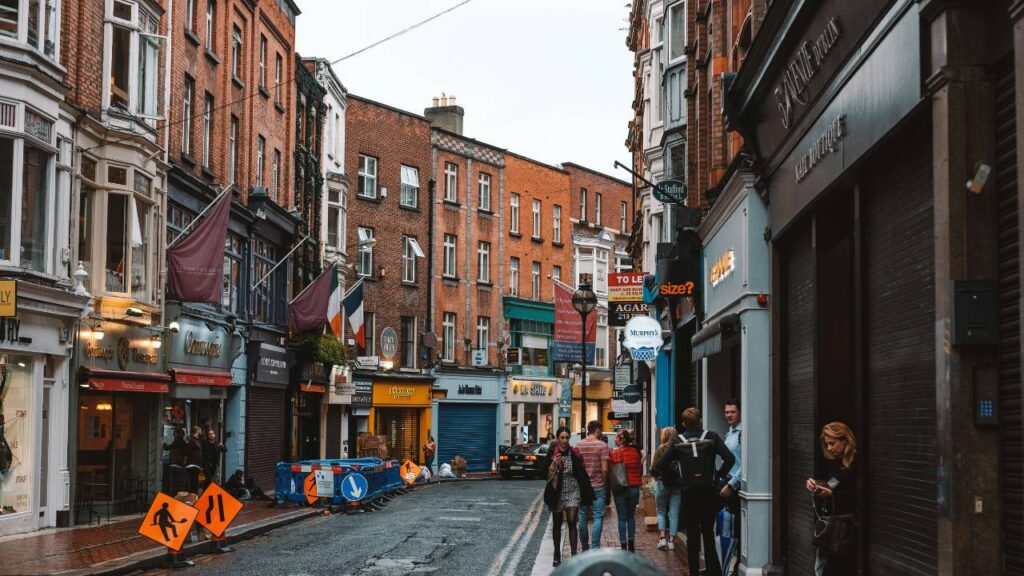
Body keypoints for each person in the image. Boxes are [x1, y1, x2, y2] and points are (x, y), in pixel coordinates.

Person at [657, 407, 735, 576]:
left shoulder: (678, 440)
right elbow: (730, 458)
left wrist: (679, 478)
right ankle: (713, 570)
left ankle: (693, 571)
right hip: (709, 492)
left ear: (684, 424)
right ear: (700, 420)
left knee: (692, 534)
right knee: (708, 532)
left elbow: (661, 464)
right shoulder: (711, 436)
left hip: (688, 493)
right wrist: (718, 476)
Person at [806, 422, 857, 576]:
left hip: (846, 528)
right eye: (827, 444)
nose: (829, 448)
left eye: (832, 444)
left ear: (845, 440)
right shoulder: (835, 463)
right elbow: (831, 485)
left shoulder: (857, 463)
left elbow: (860, 495)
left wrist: (832, 494)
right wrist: (816, 485)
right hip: (831, 526)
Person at [543, 426, 595, 567]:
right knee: (557, 524)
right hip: (557, 492)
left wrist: (588, 493)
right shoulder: (553, 454)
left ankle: (573, 556)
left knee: (572, 520)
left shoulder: (575, 453)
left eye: (567, 437)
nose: (565, 440)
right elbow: (544, 473)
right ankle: (557, 554)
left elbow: (582, 474)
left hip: (573, 489)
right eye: (562, 437)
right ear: (558, 438)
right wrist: (554, 464)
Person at [576, 420, 610, 550]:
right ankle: (595, 547)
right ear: (597, 430)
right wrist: (605, 482)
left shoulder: (578, 445)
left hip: (583, 486)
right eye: (600, 430)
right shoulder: (602, 445)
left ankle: (585, 547)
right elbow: (605, 469)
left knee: (583, 516)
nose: (601, 433)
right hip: (598, 485)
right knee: (598, 517)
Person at [609, 429, 644, 552]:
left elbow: (610, 469)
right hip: (634, 488)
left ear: (621, 440)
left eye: (617, 437)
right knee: (631, 517)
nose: (615, 439)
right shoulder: (636, 452)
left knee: (622, 518)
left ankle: (623, 545)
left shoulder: (615, 453)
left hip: (620, 488)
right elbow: (640, 466)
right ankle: (631, 543)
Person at [651, 426, 681, 551]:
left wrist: (658, 478)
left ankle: (663, 539)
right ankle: (672, 541)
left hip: (663, 483)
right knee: (674, 513)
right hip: (677, 485)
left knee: (661, 511)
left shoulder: (660, 450)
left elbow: (653, 469)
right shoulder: (680, 449)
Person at [720, 399, 742, 573]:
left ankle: (734, 565)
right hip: (727, 483)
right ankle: (727, 564)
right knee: (726, 526)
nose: (729, 415)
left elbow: (745, 463)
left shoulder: (742, 433)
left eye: (732, 412)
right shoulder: (730, 432)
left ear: (740, 412)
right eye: (727, 412)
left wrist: (732, 485)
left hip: (736, 486)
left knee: (735, 529)